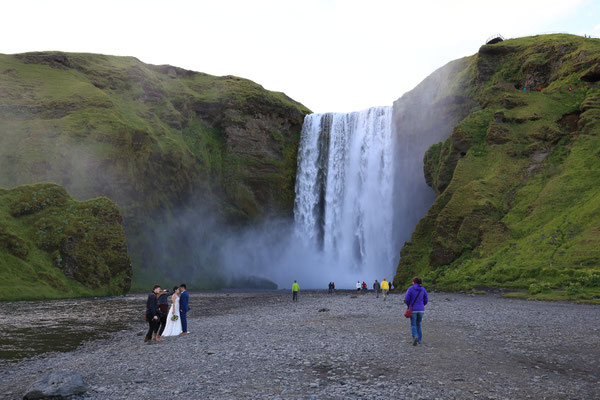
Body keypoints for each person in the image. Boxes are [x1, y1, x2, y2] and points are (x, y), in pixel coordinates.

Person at [404, 277, 429, 346]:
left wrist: (409, 306)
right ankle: (420, 340)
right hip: (421, 309)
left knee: (413, 324)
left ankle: (415, 337)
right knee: (418, 324)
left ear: (414, 282)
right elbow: (426, 299)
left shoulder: (411, 289)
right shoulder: (423, 289)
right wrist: (422, 305)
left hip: (413, 309)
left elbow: (406, 299)